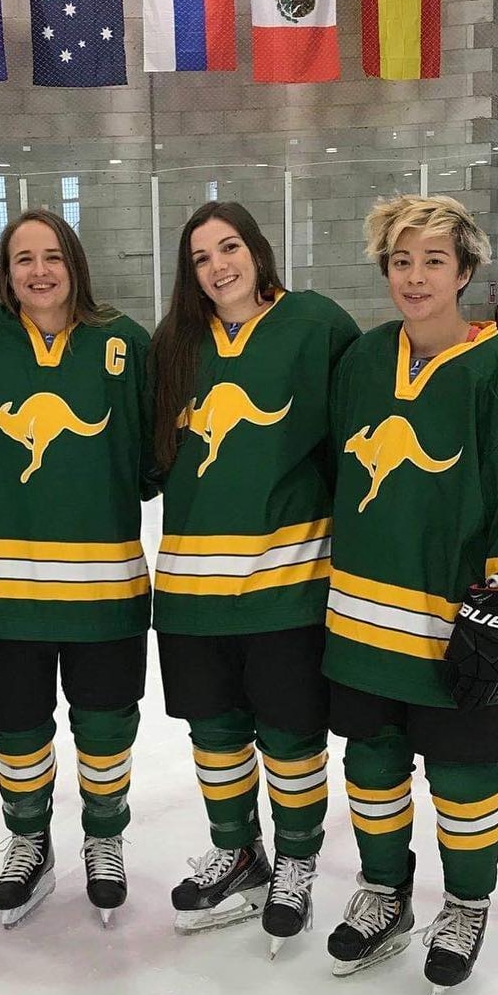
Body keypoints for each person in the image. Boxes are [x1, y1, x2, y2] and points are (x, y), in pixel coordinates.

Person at [323, 194, 498, 995]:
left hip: (459, 622)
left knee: (462, 775)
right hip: (359, 618)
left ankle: (464, 904)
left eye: (433, 261)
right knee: (373, 765)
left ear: (465, 270)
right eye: (401, 261)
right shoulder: (361, 359)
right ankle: (383, 892)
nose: (415, 277)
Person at [151, 201, 360, 953]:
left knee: (291, 735)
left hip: (286, 584)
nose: (218, 266)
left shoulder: (315, 323)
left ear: (257, 249)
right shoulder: (174, 344)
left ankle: (296, 860)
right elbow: (149, 464)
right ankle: (238, 853)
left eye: (228, 246)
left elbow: (352, 443)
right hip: (188, 592)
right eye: (201, 257)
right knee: (215, 735)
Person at [0, 210, 154, 927]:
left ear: (75, 264)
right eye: (23, 259)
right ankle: (30, 841)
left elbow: (150, 459)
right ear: (5, 273)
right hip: (3, 593)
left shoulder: (123, 341)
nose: (39, 271)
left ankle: (103, 839)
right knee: (17, 729)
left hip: (106, 590)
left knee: (105, 726)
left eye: (52, 256)